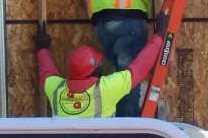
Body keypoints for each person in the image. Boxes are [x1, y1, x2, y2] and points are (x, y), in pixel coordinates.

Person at [33, 10, 169, 117]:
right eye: (98, 64)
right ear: (94, 71)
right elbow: (140, 65)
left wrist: (42, 48)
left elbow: (47, 73)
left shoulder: (57, 89)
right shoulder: (105, 88)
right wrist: (159, 33)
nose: (101, 65)